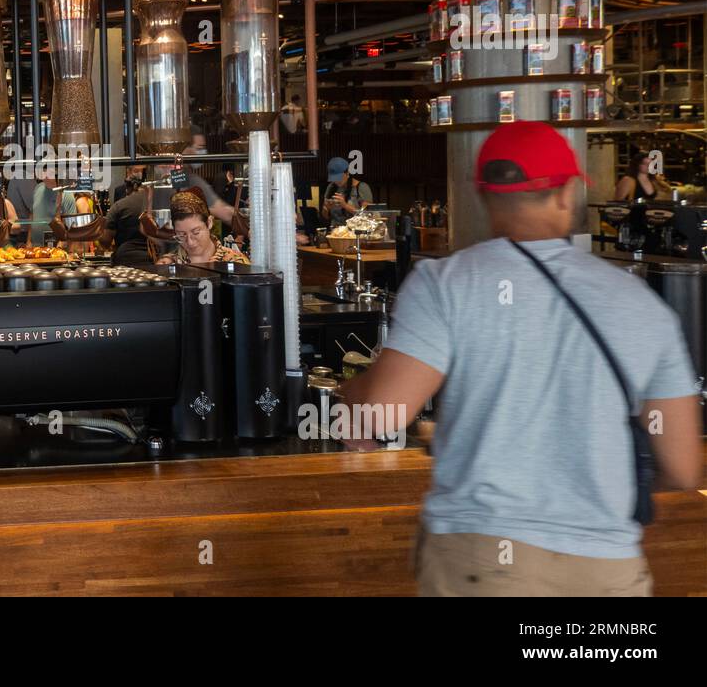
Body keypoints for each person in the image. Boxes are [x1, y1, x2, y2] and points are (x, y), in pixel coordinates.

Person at [339, 122, 701, 597]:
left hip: (484, 564)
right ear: (567, 194)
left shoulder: (446, 283)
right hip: (607, 569)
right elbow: (683, 467)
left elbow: (382, 411)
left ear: (484, 196)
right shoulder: (640, 304)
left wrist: (349, 396)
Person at [155, 189, 250, 265]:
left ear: (209, 223)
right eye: (181, 235)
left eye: (196, 232)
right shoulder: (168, 265)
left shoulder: (236, 262)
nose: (190, 242)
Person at [99, 176, 151, 266]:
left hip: (125, 260)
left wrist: (97, 230)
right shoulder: (154, 203)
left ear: (127, 189)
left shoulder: (118, 206)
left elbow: (105, 241)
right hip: (153, 257)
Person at [29, 167, 76, 246]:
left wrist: (62, 244)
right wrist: (29, 241)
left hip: (55, 250)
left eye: (48, 169)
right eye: (43, 169)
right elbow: (32, 215)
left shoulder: (66, 194)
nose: (44, 173)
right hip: (35, 248)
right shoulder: (38, 188)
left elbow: (72, 227)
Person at [321, 156, 373, 226]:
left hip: (356, 230)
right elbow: (325, 216)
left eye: (339, 177)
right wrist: (326, 208)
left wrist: (345, 205)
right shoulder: (331, 187)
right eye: (334, 178)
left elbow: (367, 215)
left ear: (347, 174)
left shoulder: (361, 187)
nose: (336, 181)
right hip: (336, 232)